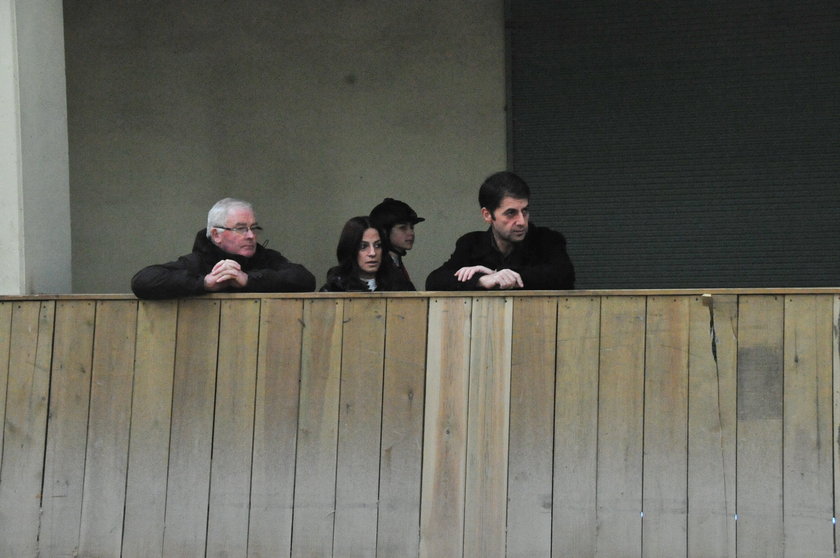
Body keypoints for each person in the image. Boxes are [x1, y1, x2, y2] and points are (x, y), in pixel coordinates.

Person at [131, 198, 315, 299]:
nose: (251, 235)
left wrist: (249, 280)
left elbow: (305, 280)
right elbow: (143, 281)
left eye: (254, 228)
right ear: (216, 235)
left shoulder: (266, 257)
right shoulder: (198, 261)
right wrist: (204, 283)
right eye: (241, 229)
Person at [425, 171, 575, 290]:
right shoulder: (471, 244)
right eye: (511, 213)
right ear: (487, 215)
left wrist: (498, 275)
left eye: (524, 211)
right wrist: (482, 280)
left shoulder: (547, 239)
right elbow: (434, 281)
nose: (522, 221)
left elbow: (564, 276)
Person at [320, 216, 414, 292]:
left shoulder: (401, 287)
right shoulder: (334, 289)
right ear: (350, 249)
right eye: (363, 246)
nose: (372, 253)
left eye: (378, 245)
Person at [369, 198, 424, 290]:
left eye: (412, 227)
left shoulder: (395, 263)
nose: (411, 233)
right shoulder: (377, 269)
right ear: (384, 232)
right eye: (403, 228)